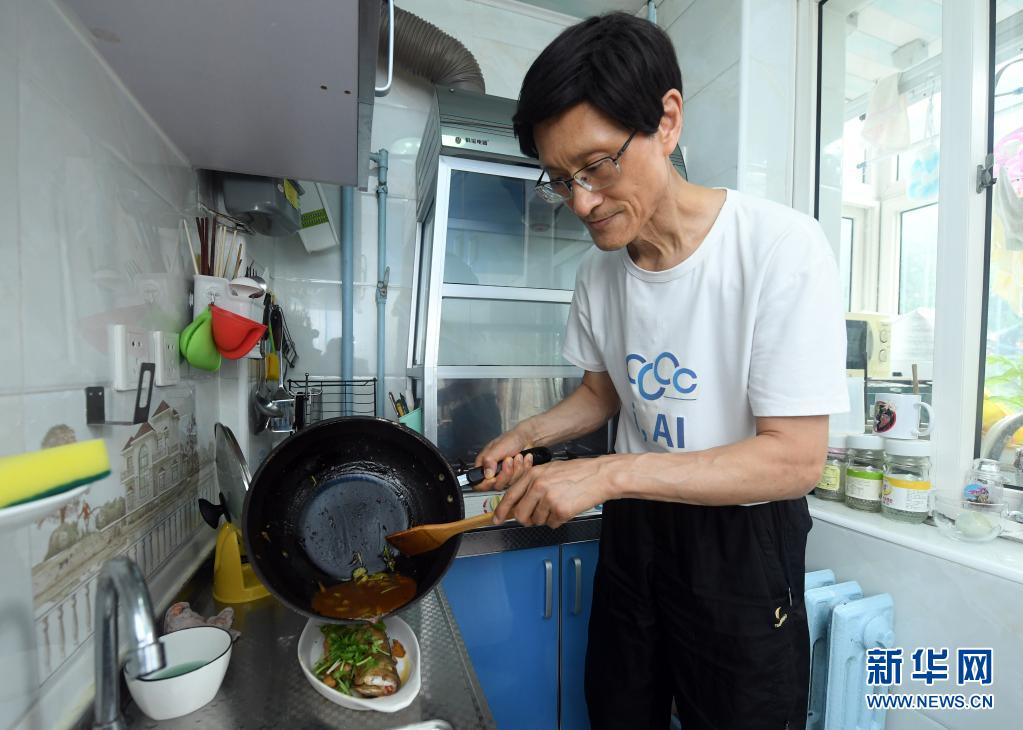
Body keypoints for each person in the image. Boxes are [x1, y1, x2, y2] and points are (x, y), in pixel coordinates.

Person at [472, 12, 848, 730]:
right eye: (561, 180)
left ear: (666, 121)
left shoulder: (779, 248)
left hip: (740, 539)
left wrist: (606, 474)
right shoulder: (599, 274)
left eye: (597, 166)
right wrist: (528, 433)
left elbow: (795, 460)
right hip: (638, 529)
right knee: (620, 709)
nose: (582, 202)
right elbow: (601, 393)